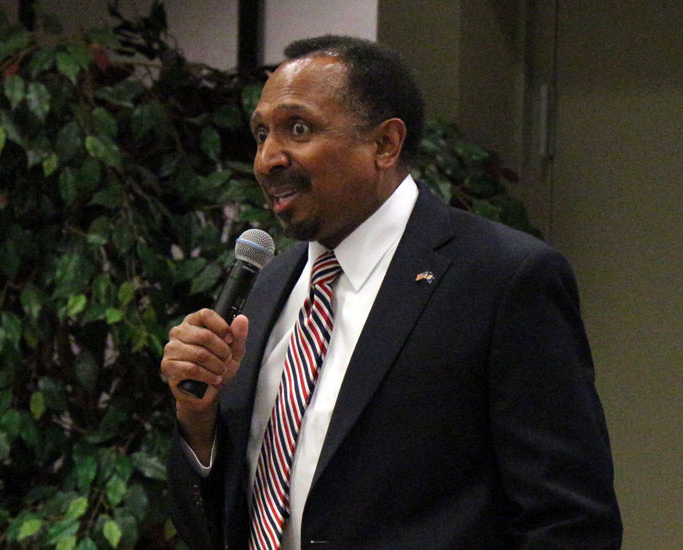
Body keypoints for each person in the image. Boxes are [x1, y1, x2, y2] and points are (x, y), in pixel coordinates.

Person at [161, 35, 622, 550]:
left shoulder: (502, 279)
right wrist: (197, 423)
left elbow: (570, 523)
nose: (268, 158)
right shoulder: (266, 286)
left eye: (298, 128)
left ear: (385, 144)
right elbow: (211, 525)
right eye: (261, 133)